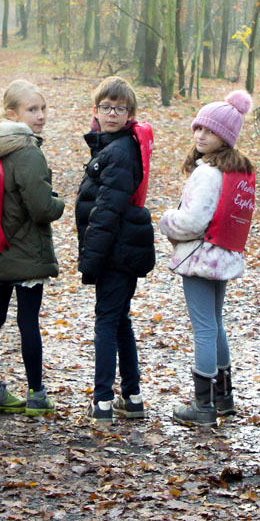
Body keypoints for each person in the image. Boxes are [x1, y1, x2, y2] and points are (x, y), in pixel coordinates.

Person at [159, 90, 255, 426]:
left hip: (201, 258)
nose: (200, 135)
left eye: (209, 131)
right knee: (215, 324)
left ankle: (202, 406)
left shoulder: (208, 173)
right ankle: (223, 396)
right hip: (223, 255)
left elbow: (193, 221)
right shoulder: (236, 171)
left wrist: (166, 219)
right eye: (198, 128)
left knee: (203, 327)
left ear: (224, 137)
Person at [0, 80, 65, 417]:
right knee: (27, 321)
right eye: (32, 109)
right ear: (12, 113)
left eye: (42, 109)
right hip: (25, 253)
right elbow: (41, 208)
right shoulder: (27, 151)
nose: (40, 116)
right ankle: (37, 395)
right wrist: (61, 203)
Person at [76, 76, 156, 423]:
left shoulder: (121, 151)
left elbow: (107, 210)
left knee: (107, 322)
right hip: (119, 248)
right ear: (96, 111)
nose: (112, 113)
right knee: (120, 320)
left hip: (115, 251)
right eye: (106, 107)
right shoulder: (112, 146)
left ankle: (102, 401)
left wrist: (90, 260)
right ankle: (132, 396)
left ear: (130, 114)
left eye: (119, 108)